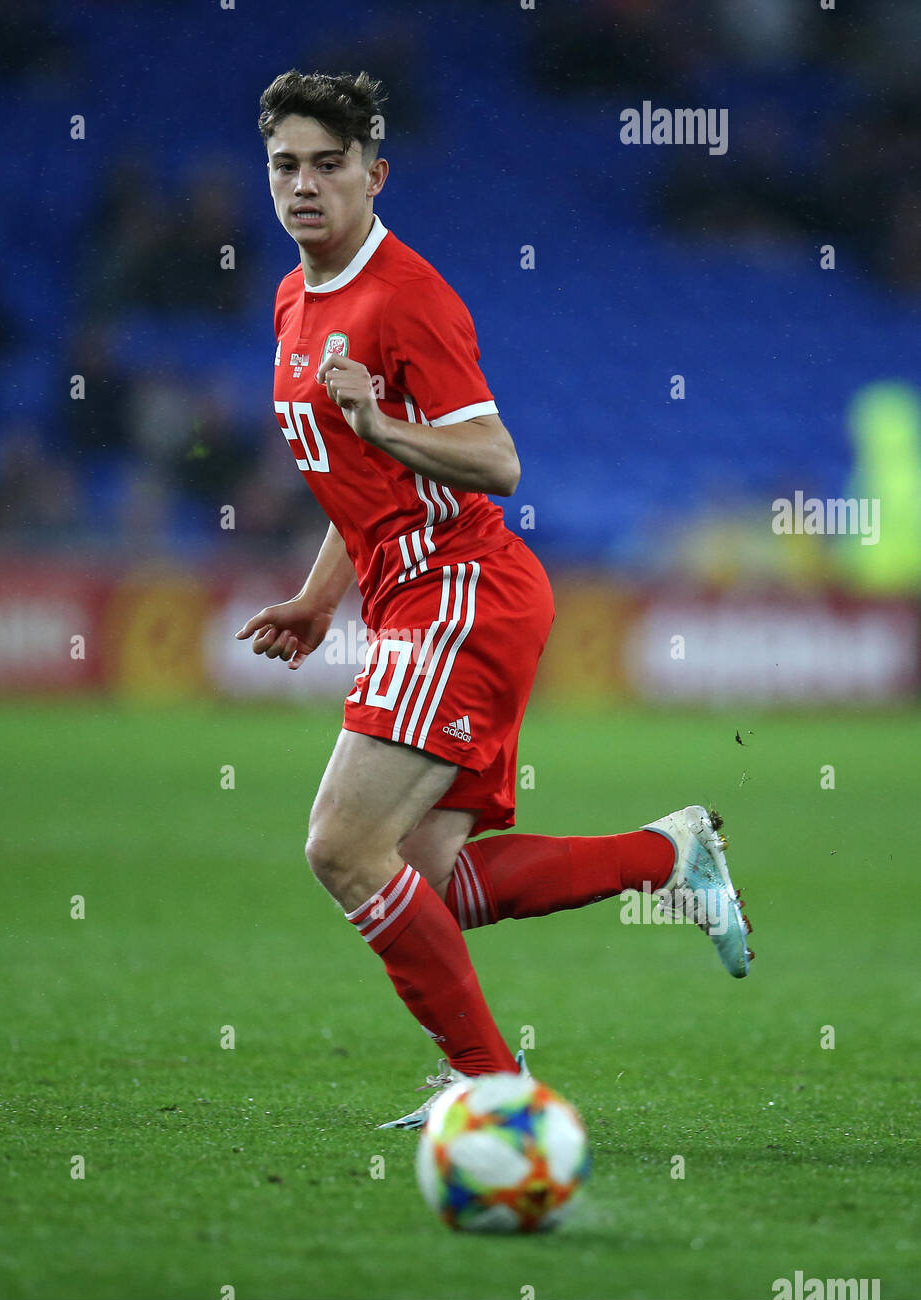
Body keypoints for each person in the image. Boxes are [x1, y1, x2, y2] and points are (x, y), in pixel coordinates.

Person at [237, 70, 753, 1129]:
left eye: (329, 165)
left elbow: (497, 459)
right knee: (429, 878)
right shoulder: (295, 298)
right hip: (414, 599)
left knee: (341, 847)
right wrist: (315, 594)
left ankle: (491, 1087)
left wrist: (381, 425)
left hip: (461, 593)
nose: (305, 185)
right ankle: (671, 854)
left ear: (374, 175)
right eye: (286, 164)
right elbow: (360, 485)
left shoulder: (406, 297)